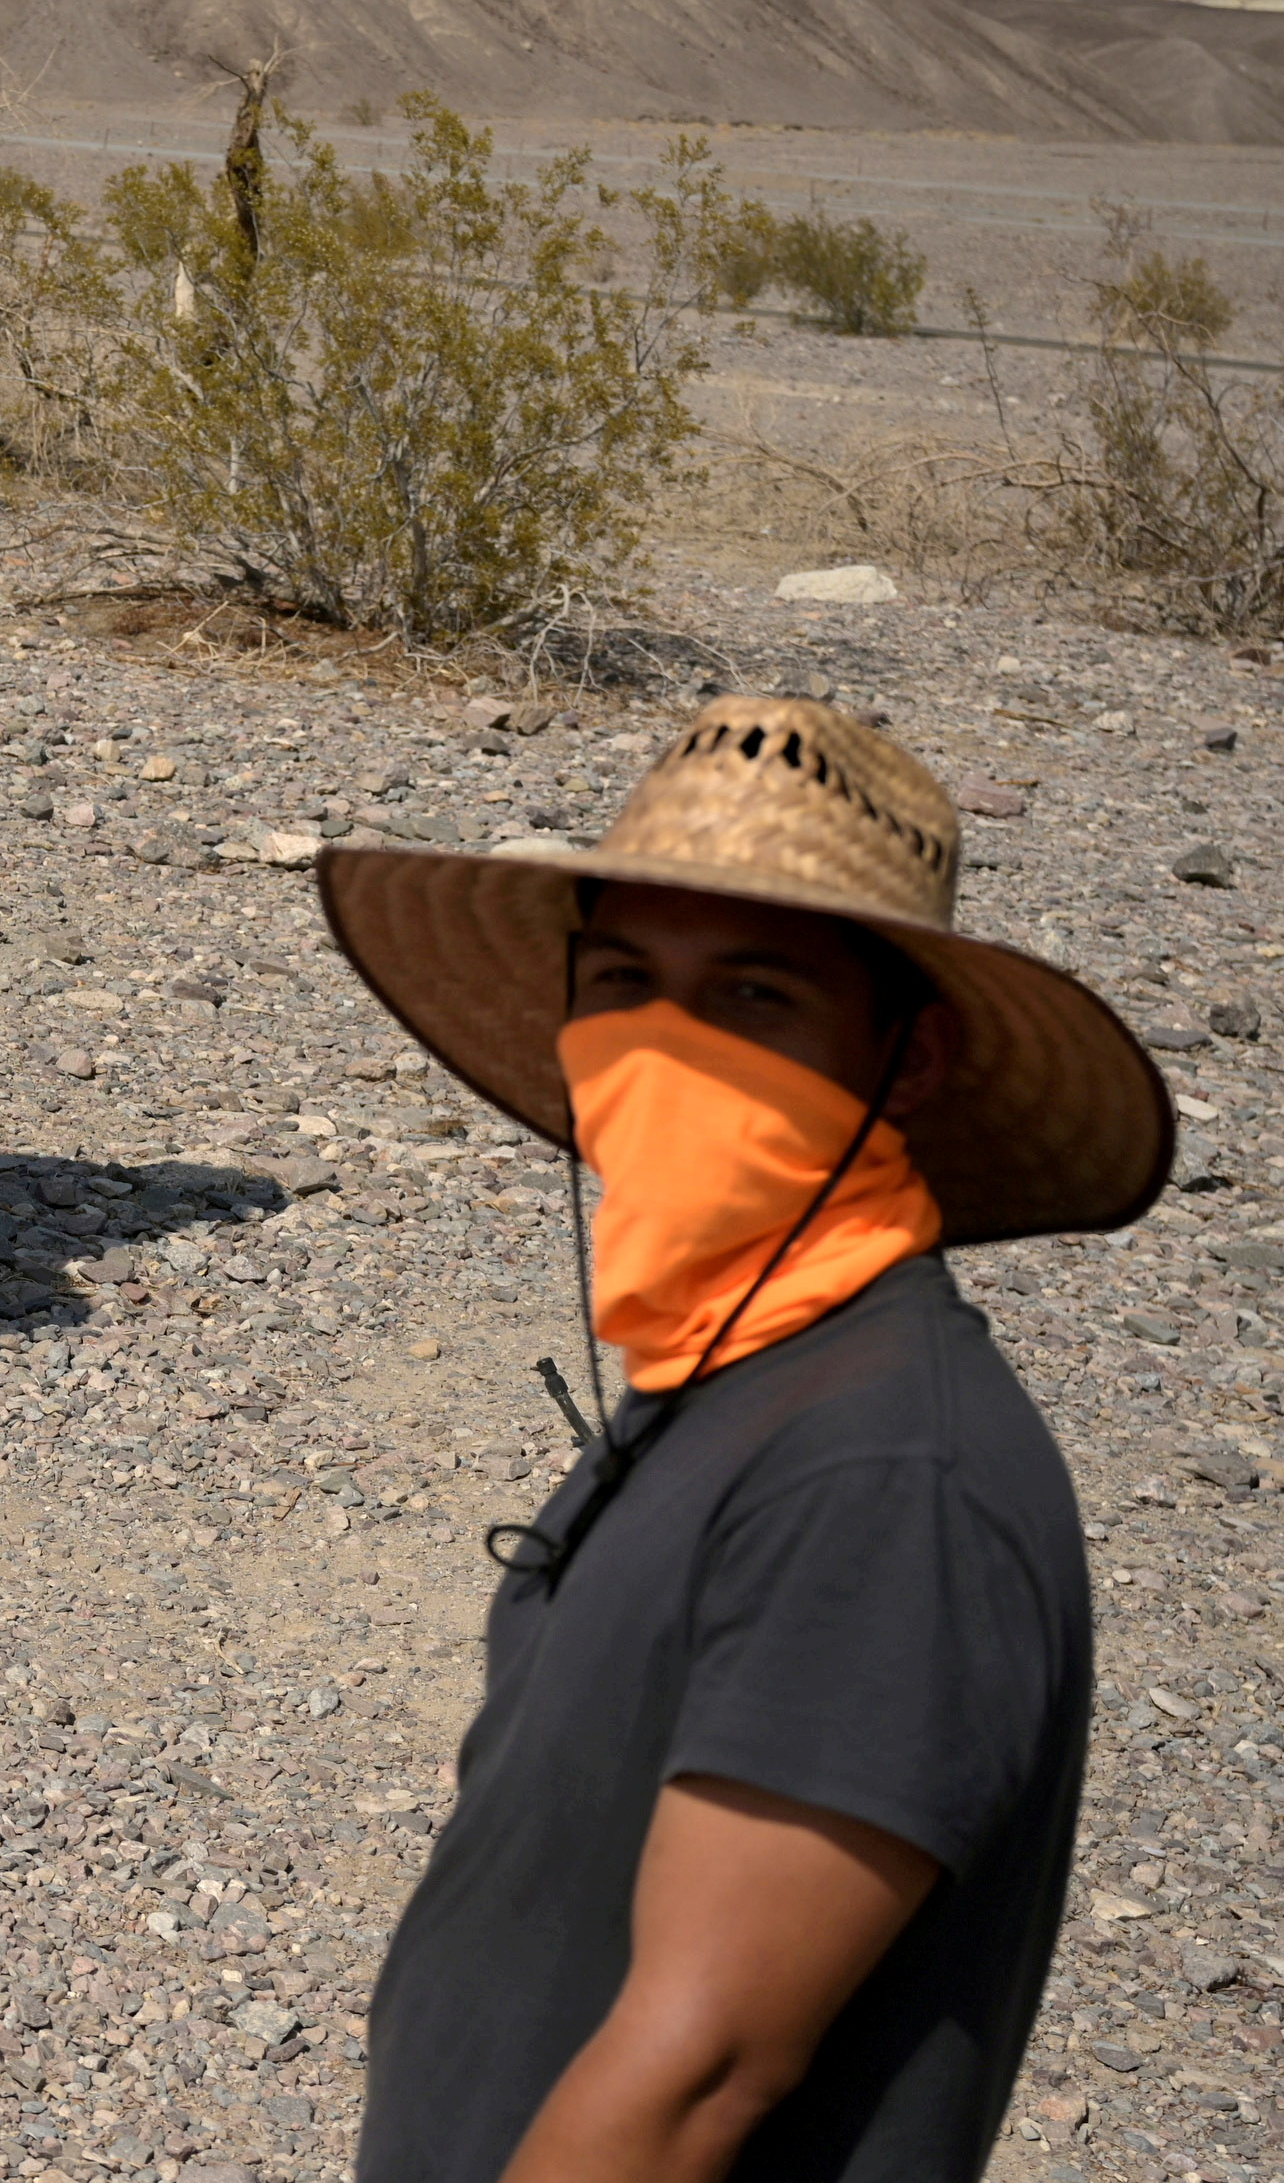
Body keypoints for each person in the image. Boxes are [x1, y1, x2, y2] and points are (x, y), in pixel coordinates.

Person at [321, 697, 1172, 2183]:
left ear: (903, 1065)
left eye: (755, 999)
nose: (668, 1052)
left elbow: (701, 2073)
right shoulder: (730, 1360)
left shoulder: (890, 1478)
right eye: (627, 983)